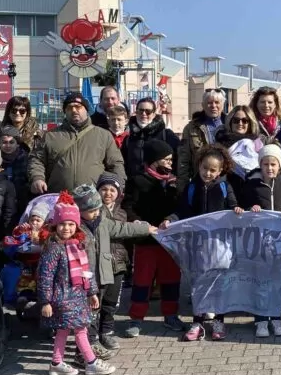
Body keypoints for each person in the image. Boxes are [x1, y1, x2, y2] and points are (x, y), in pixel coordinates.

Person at [163, 144, 240, 342]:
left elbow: (233, 207)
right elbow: (182, 211)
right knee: (198, 285)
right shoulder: (191, 187)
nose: (208, 173)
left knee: (219, 285)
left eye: (213, 170)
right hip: (197, 246)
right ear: (199, 166)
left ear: (220, 171)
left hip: (220, 247)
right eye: (205, 168)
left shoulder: (225, 187)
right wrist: (170, 219)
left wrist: (237, 210)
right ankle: (197, 322)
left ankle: (218, 322)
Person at [38, 192, 116, 375]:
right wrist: (45, 301)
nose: (66, 228)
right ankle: (91, 362)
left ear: (77, 225)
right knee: (80, 329)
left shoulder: (77, 246)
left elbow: (86, 272)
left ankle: (56, 363)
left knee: (63, 330)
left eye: (71, 224)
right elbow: (45, 276)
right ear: (55, 225)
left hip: (78, 297)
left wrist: (92, 292)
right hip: (63, 298)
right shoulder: (53, 248)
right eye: (62, 224)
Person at [73, 183, 155, 351]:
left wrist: (146, 228)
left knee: (108, 305)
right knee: (91, 309)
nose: (96, 213)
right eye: (92, 210)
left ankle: (106, 333)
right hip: (87, 276)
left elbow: (123, 228)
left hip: (105, 271)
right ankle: (91, 340)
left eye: (97, 209)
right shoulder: (75, 227)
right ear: (80, 211)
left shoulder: (103, 222)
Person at [123, 140, 188, 338]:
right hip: (146, 240)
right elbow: (128, 206)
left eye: (171, 159)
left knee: (171, 280)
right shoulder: (137, 181)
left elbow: (182, 208)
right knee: (142, 281)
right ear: (153, 160)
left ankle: (171, 315)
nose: (170, 163)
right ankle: (136, 318)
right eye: (166, 159)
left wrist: (171, 218)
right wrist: (138, 222)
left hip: (169, 242)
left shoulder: (174, 182)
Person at [244, 144, 281, 338]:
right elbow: (242, 206)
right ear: (260, 165)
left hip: (280, 244)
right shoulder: (251, 186)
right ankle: (260, 320)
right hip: (259, 243)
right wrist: (251, 208)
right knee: (260, 282)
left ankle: (277, 318)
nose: (269, 168)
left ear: (279, 165)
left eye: (273, 164)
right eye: (265, 164)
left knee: (278, 283)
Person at [29, 91, 126, 195]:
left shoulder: (103, 135)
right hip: (59, 198)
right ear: (65, 112)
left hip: (94, 199)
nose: (74, 110)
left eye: (78, 107)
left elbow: (116, 164)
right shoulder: (51, 136)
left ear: (86, 110)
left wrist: (116, 187)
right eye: (69, 108)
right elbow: (36, 160)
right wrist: (37, 177)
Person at [122, 96, 181, 179]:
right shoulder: (129, 137)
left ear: (154, 114)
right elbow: (124, 162)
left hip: (159, 183)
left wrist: (172, 178)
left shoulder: (166, 135)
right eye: (140, 110)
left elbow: (180, 159)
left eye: (148, 111)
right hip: (133, 184)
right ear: (136, 112)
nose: (144, 114)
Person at [178, 88, 227, 186]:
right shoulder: (191, 128)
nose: (213, 106)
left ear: (223, 104)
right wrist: (182, 186)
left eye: (217, 102)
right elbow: (183, 160)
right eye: (209, 103)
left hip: (226, 181)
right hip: (200, 181)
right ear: (203, 105)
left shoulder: (231, 125)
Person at [215, 105, 267, 195]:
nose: (240, 123)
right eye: (236, 120)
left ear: (250, 123)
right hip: (227, 191)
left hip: (253, 192)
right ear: (230, 122)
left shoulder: (258, 143)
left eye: (245, 120)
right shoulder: (219, 143)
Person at [0, 125, 32, 213]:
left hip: (21, 201)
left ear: (17, 144)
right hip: (0, 201)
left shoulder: (26, 160)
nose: (8, 145)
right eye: (4, 142)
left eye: (11, 142)